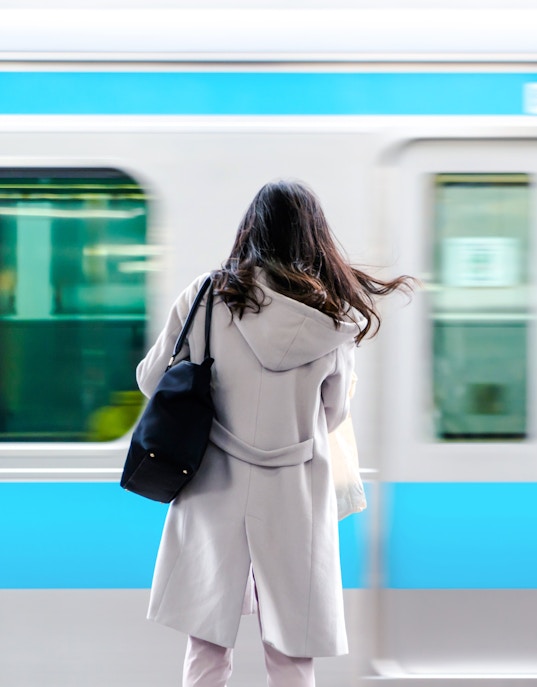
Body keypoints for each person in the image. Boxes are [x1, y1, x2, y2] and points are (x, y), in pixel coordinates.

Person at [135, 180, 414, 687]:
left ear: (251, 231)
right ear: (313, 237)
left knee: (207, 643)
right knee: (291, 650)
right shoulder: (332, 318)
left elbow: (153, 381)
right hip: (295, 491)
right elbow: (333, 413)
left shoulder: (207, 296)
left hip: (212, 484)